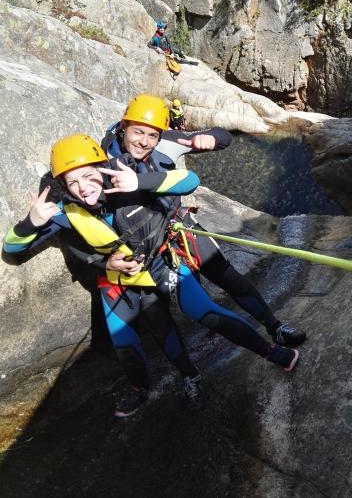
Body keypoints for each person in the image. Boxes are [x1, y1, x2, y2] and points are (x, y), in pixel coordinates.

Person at [3, 135, 299, 417]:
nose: (83, 188)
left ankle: (271, 352)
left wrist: (141, 181)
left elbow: (189, 181)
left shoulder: (128, 180)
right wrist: (32, 222)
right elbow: (11, 249)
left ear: (100, 169)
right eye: (73, 182)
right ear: (64, 187)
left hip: (160, 262)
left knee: (206, 313)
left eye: (88, 176)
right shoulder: (64, 213)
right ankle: (173, 381)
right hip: (118, 280)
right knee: (128, 342)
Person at [102, 94, 307, 349]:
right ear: (123, 127)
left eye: (151, 135)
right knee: (176, 305)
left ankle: (274, 327)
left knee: (227, 276)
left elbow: (224, 136)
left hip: (179, 227)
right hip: (148, 246)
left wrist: (209, 139)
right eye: (138, 132)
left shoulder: (165, 141)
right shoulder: (103, 162)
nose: (144, 142)